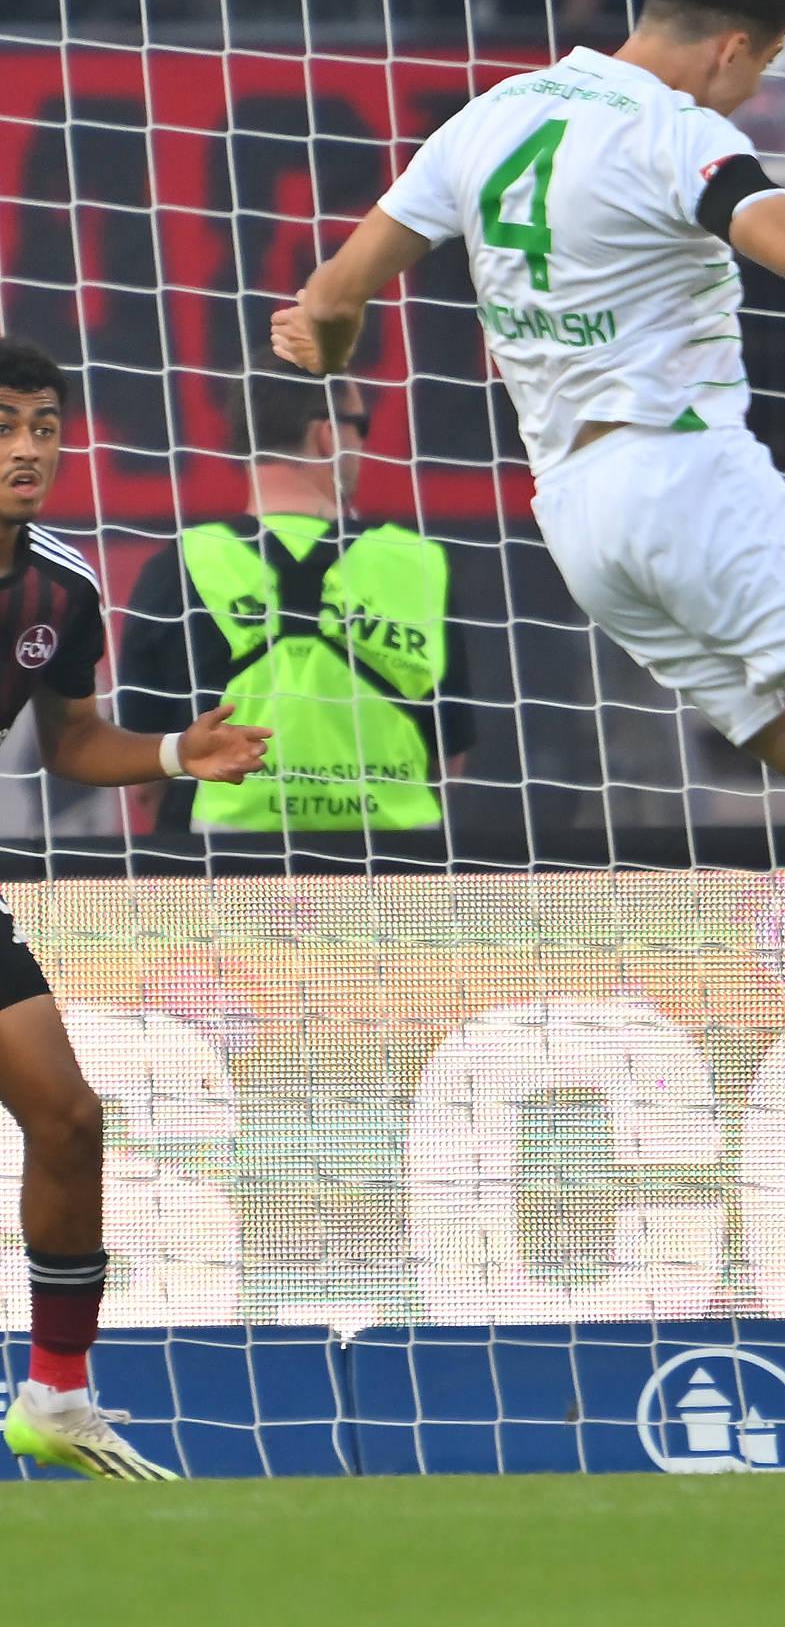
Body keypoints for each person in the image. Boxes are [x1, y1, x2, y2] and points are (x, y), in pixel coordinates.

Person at [268, 0, 785, 1194]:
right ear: (735, 47)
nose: (752, 92)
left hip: (578, 519)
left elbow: (332, 296)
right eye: (763, 70)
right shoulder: (673, 133)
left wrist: (328, 341)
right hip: (690, 483)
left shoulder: (491, 118)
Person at [0, 339, 270, 1481]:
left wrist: (172, 753)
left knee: (68, 1119)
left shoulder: (59, 585)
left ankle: (57, 1397)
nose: (27, 449)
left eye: (44, 427)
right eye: (4, 425)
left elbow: (68, 739)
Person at [116, 370, 475, 836]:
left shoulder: (177, 566)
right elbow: (448, 760)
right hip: (396, 866)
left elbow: (143, 773)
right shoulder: (417, 563)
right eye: (360, 427)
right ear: (328, 435)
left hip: (224, 865)